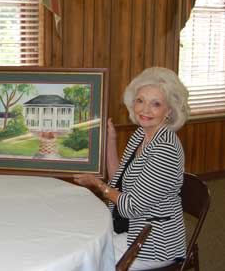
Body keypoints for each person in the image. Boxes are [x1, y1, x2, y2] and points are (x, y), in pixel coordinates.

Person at [73, 67, 189, 270]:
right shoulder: (141, 134)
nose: (145, 110)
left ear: (169, 110)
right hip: (133, 230)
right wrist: (111, 140)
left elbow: (131, 206)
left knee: (89, 261)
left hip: (155, 243)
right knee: (84, 248)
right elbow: (119, 178)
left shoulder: (166, 149)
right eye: (140, 100)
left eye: (156, 104)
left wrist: (97, 184)